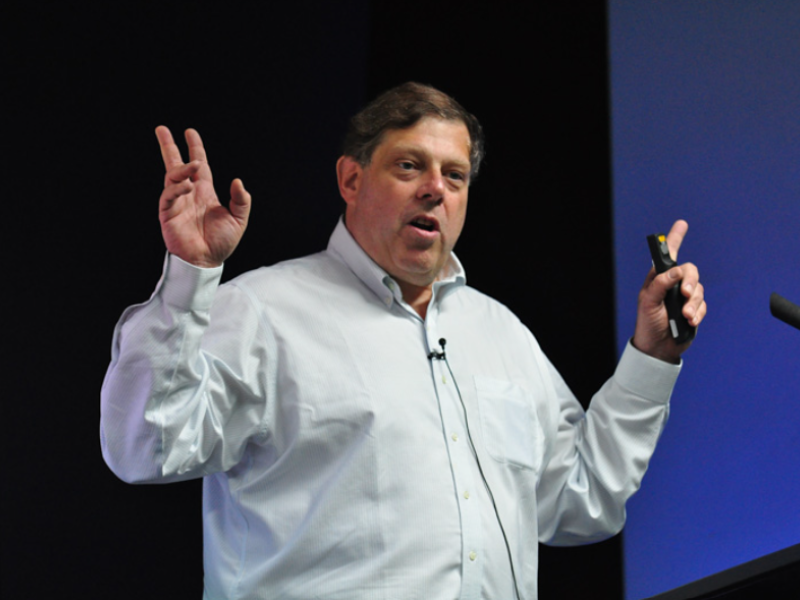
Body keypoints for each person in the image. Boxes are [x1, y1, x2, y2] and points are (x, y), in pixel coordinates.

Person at [100, 82, 706, 600]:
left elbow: (581, 500)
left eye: (455, 175)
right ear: (351, 178)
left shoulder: (501, 333)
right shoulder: (262, 311)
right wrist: (189, 278)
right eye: (409, 165)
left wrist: (651, 356)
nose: (435, 189)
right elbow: (144, 445)